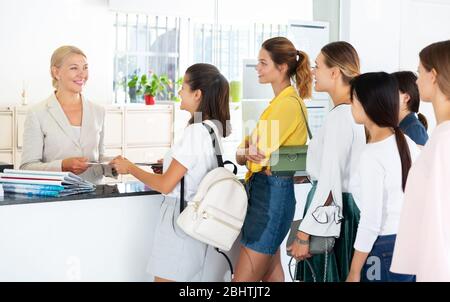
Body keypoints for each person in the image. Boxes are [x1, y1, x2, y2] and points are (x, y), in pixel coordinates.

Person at [111, 63, 231, 282]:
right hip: (195, 219)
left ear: (197, 94)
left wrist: (130, 168)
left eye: (183, 87)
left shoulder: (195, 132)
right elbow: (192, 171)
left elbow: (166, 185)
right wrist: (169, 164)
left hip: (180, 219)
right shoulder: (212, 129)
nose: (178, 92)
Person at [234, 37, 311, 282]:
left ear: (282, 68)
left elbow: (255, 156)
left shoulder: (287, 104)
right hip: (267, 195)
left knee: (241, 283)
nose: (257, 67)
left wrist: (246, 152)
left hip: (270, 199)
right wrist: (246, 152)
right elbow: (245, 150)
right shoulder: (279, 103)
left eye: (263, 63)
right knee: (271, 276)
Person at [288, 41, 366, 282]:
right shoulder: (354, 112)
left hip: (329, 213)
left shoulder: (339, 118)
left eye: (317, 66)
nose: (312, 72)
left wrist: (304, 233)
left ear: (334, 73)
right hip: (346, 209)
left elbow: (330, 180)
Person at [346, 72, 419, 282]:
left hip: (383, 248)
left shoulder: (372, 154)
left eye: (353, 99)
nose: (350, 105)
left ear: (367, 104)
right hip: (408, 243)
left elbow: (371, 221)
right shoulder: (406, 142)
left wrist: (354, 271)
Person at [391, 40, 450, 281]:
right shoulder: (440, 136)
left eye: (419, 72)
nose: (416, 80)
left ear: (433, 75)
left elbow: (440, 223)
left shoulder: (444, 141)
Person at [20, 45, 109, 184]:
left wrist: (113, 165)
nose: (82, 74)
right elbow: (26, 167)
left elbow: (100, 158)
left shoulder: (98, 111)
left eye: (85, 67)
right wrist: (61, 166)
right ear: (56, 72)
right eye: (74, 68)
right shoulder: (37, 113)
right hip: (56, 197)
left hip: (94, 195)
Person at [392, 71, 429, 145]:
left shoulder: (414, 129)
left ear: (406, 98)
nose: (385, 96)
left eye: (390, 91)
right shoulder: (400, 126)